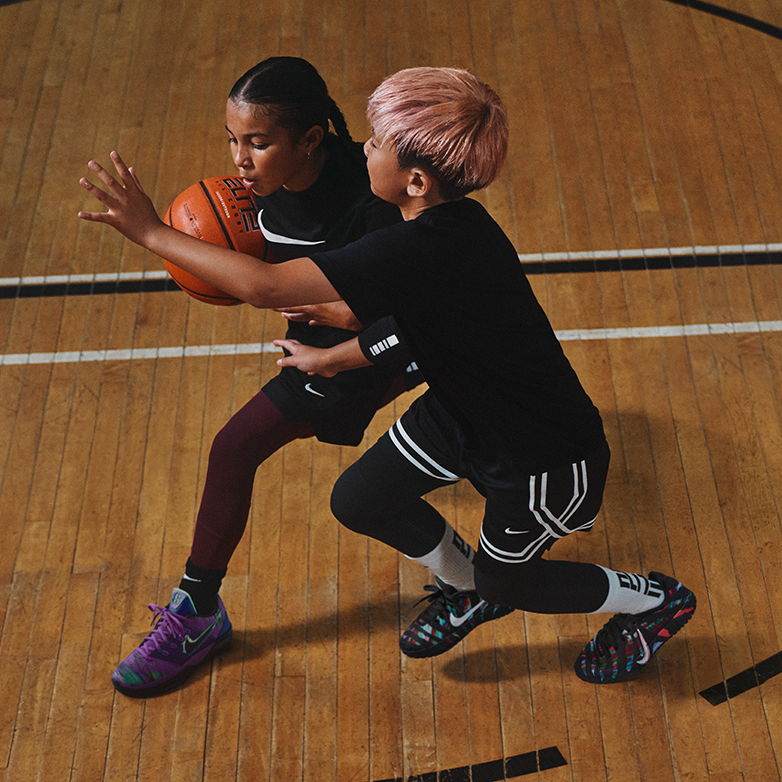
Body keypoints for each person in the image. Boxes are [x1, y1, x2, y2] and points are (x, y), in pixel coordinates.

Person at [79, 66, 696, 685]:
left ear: (416, 180)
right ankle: (471, 586)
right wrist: (330, 356)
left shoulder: (416, 248)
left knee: (513, 582)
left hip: (539, 453)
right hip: (460, 416)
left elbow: (266, 288)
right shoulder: (441, 231)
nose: (364, 147)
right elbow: (409, 330)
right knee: (359, 500)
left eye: (376, 143)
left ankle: (653, 601)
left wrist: (150, 231)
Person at [94, 56, 431, 698]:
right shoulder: (252, 195)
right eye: (232, 140)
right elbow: (282, 271)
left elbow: (403, 308)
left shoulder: (376, 198)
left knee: (235, 446)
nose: (240, 160)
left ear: (311, 139)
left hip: (392, 335)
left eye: (257, 142)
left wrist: (151, 233)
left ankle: (196, 614)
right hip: (341, 322)